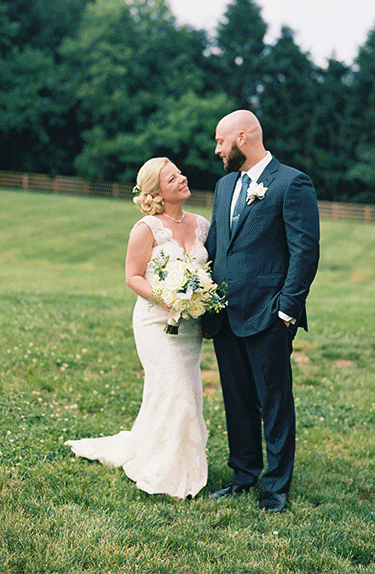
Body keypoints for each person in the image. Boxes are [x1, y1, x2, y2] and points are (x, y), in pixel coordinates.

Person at [65, 157, 208, 500]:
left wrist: (201, 296)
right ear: (157, 193)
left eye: (180, 174)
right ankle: (164, 470)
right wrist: (166, 298)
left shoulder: (202, 225)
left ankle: (183, 461)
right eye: (173, 179)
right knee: (175, 390)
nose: (182, 179)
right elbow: (132, 276)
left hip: (190, 324)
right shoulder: (146, 228)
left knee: (185, 391)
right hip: (155, 321)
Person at [202, 109, 319, 514]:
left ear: (243, 138)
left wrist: (287, 311)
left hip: (268, 314)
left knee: (274, 402)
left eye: (221, 141)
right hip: (224, 314)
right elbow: (217, 246)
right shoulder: (223, 186)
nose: (217, 150)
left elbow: (305, 253)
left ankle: (276, 487)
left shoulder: (291, 183)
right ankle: (243, 475)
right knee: (236, 399)